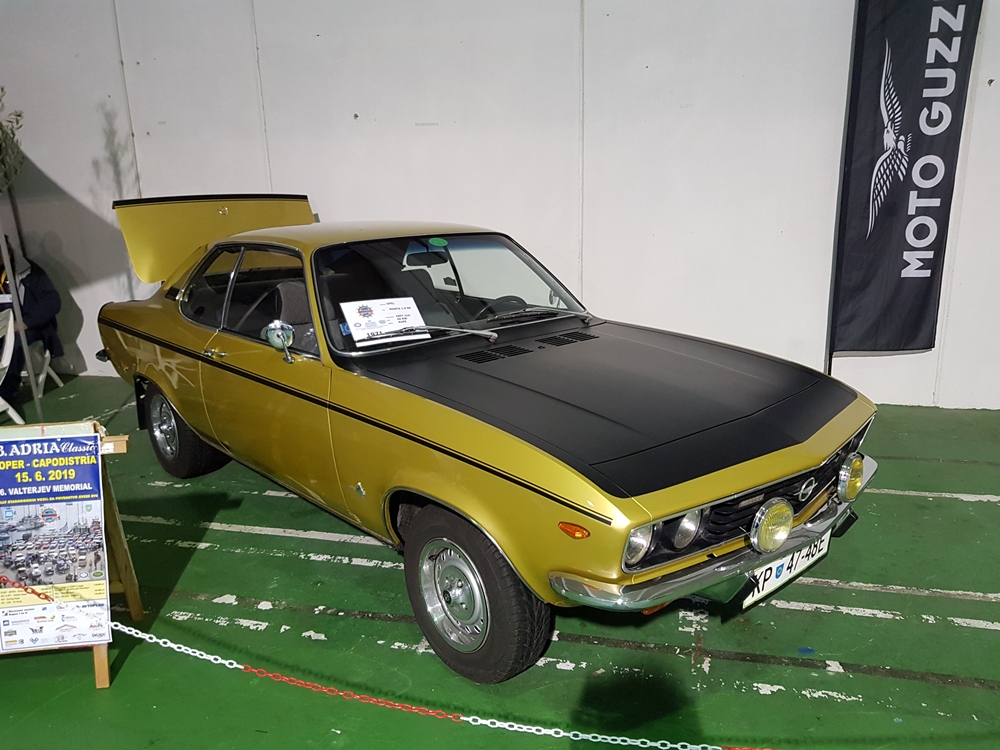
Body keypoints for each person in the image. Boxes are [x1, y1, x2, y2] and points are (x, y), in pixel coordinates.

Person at [0, 236, 63, 403]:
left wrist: (24, 323)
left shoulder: (28, 271)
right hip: (3, 326)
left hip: (31, 327)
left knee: (15, 342)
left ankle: (6, 393)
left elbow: (52, 301)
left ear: (6, 250)